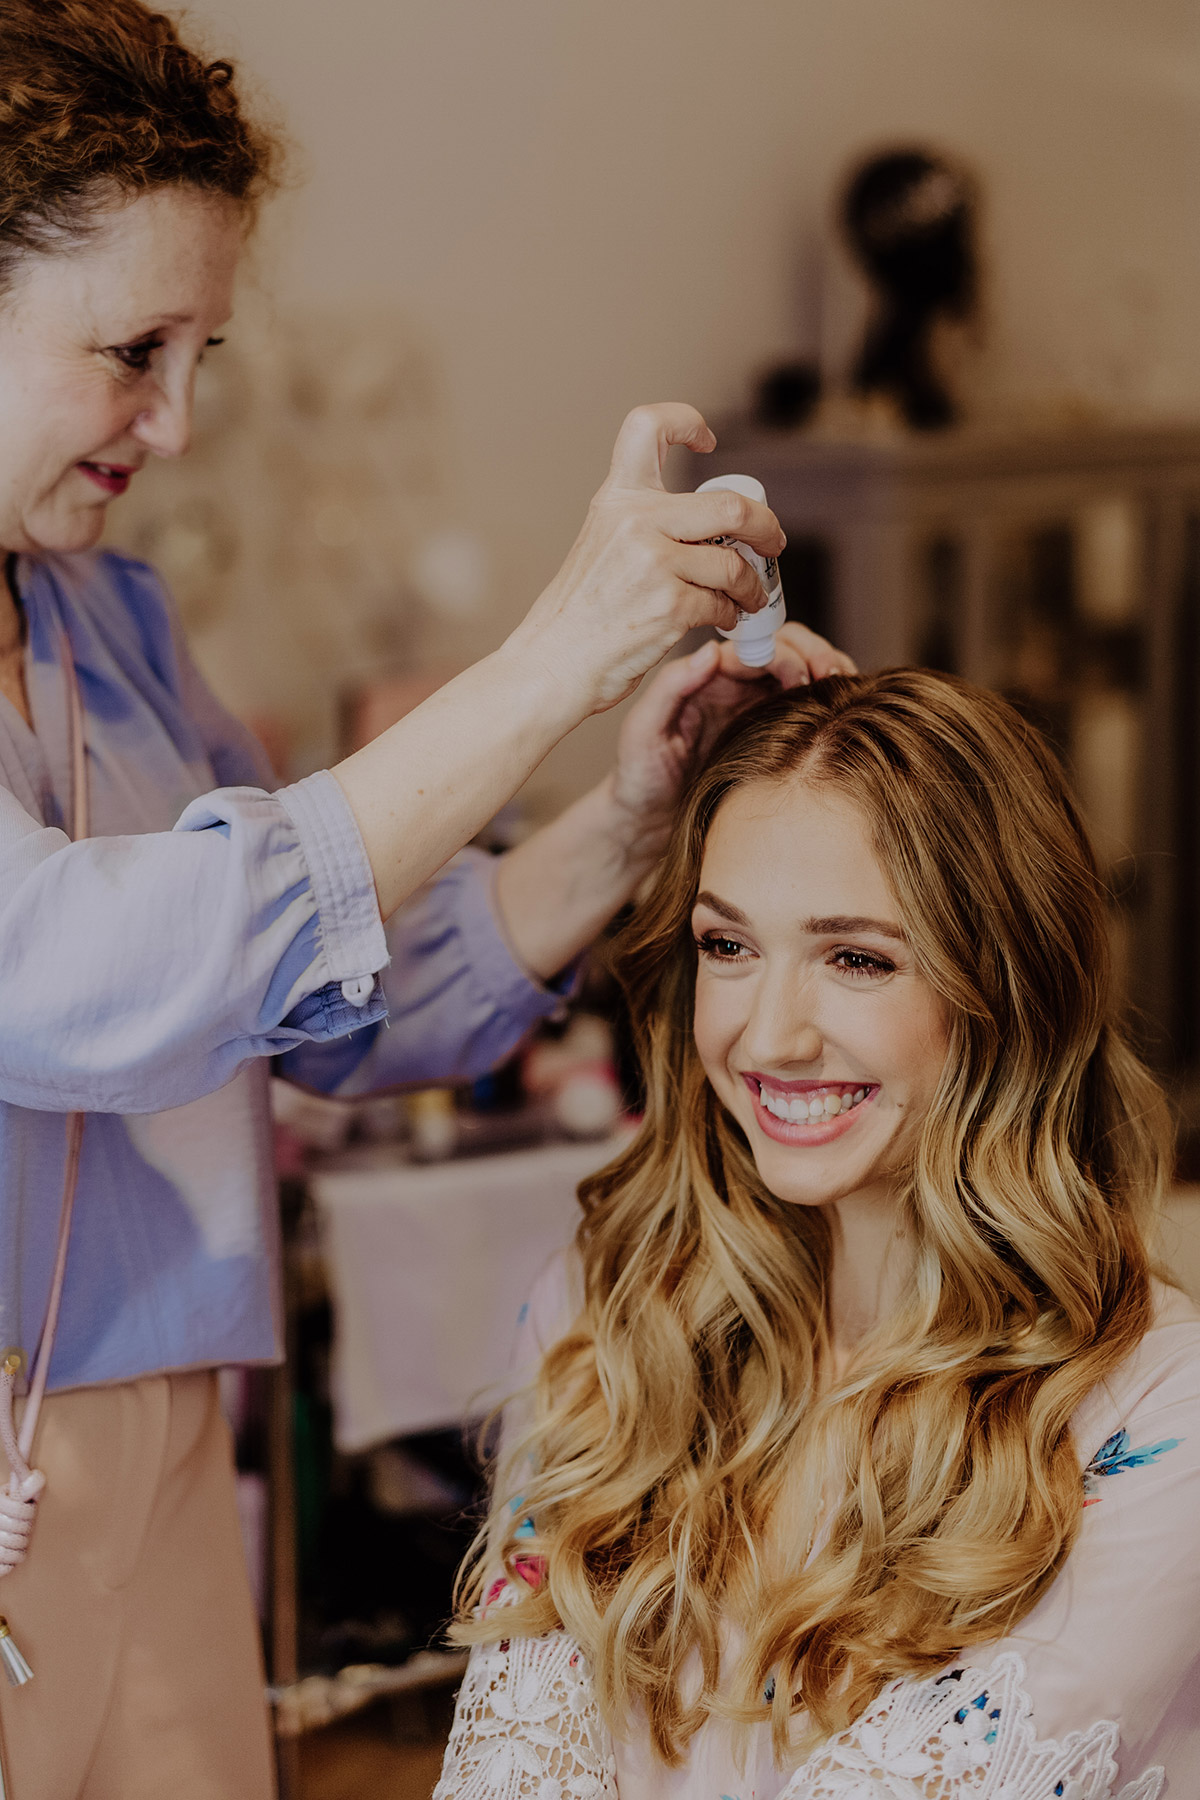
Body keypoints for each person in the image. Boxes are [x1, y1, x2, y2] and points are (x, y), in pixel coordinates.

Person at [0, 2, 856, 1795]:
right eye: (132, 349)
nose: (171, 423)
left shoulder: (107, 633)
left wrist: (624, 814)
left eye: (203, 353)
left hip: (162, 1449)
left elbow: (320, 998)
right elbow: (82, 976)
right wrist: (556, 656)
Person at [437, 670, 1200, 1800]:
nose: (770, 1036)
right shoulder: (603, 1318)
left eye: (856, 958)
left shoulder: (1157, 1418)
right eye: (728, 946)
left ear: (1008, 987)